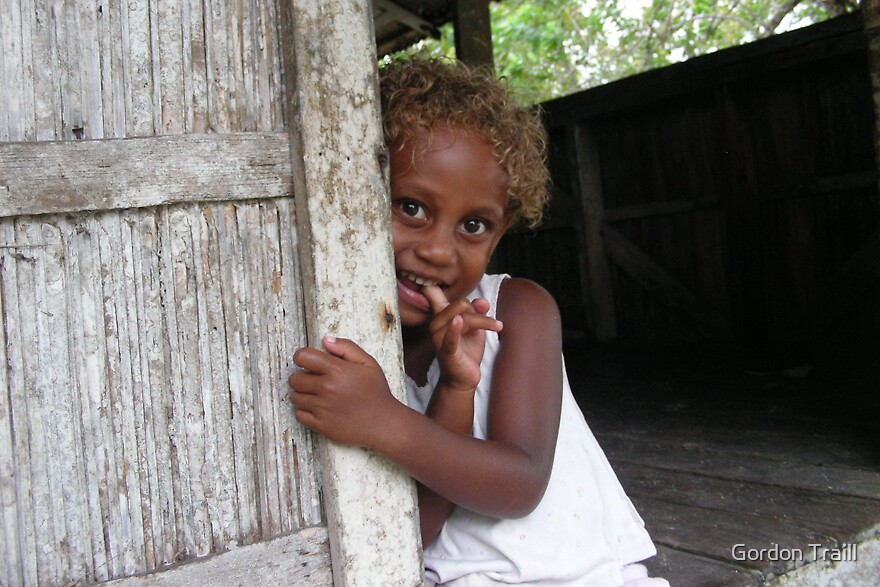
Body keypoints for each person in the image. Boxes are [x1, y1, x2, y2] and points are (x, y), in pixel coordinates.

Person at [288, 58, 668, 587]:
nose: (438, 251)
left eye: (473, 225)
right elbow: (415, 529)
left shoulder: (516, 311)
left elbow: (519, 485)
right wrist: (453, 393)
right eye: (412, 207)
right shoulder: (360, 340)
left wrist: (381, 419)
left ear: (503, 228)